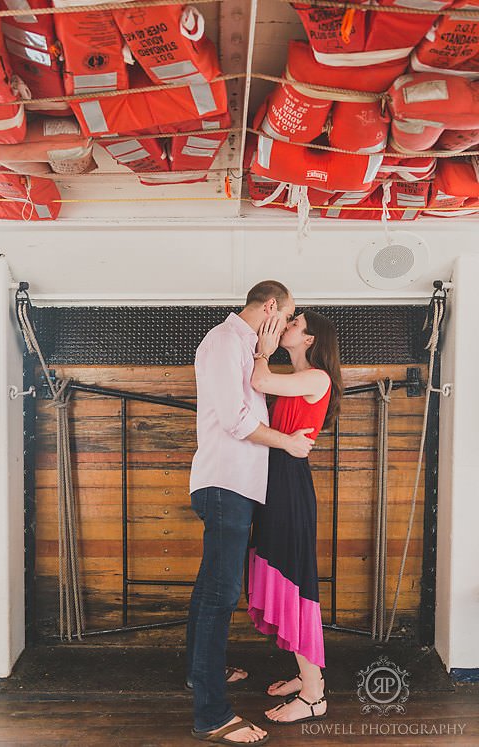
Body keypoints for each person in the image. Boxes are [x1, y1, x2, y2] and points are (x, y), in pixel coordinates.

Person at [186, 280, 316, 746]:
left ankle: (200, 673)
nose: (283, 326)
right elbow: (235, 419)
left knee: (209, 593)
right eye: (286, 316)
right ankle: (212, 714)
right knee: (221, 597)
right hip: (226, 484)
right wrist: (288, 443)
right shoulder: (225, 341)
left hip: (233, 485)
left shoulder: (245, 345)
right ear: (269, 308)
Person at [247, 311, 343, 725]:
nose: (286, 325)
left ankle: (313, 693)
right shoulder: (297, 375)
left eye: (295, 323)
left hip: (288, 484)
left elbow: (260, 382)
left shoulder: (318, 377)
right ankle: (308, 674)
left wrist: (261, 351)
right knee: (284, 574)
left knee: (294, 578)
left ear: (310, 339)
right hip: (276, 481)